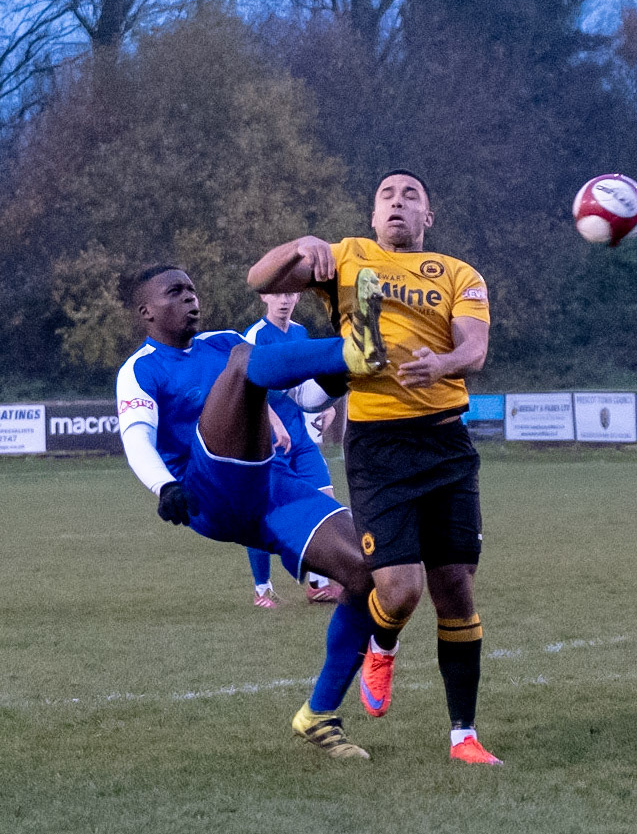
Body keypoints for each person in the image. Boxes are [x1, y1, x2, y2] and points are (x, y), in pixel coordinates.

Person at [247, 171, 502, 764]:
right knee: (400, 589)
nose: (398, 203)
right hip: (379, 445)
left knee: (456, 588)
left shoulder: (458, 273)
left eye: (411, 196)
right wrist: (300, 245)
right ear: (371, 215)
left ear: (427, 217)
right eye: (387, 195)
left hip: (446, 443)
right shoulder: (347, 258)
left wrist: (442, 364)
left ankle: (463, 737)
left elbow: (475, 348)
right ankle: (382, 645)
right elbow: (259, 278)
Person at [116, 263, 387, 759]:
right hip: (208, 492)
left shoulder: (220, 342)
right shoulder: (142, 368)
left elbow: (306, 397)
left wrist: (338, 378)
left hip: (272, 487)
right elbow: (136, 439)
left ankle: (319, 714)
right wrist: (164, 485)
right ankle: (352, 349)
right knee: (244, 361)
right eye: (175, 292)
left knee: (371, 573)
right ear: (146, 311)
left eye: (192, 290)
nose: (191, 298)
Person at [243, 292, 343, 608]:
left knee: (326, 504)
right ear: (264, 296)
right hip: (266, 440)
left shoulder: (300, 332)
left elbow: (309, 380)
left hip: (300, 438)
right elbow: (247, 390)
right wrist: (274, 423)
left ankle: (318, 584)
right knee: (262, 516)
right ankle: (262, 589)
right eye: (277, 293)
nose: (283, 300)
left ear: (298, 296)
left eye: (289, 293)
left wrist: (328, 406)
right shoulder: (255, 336)